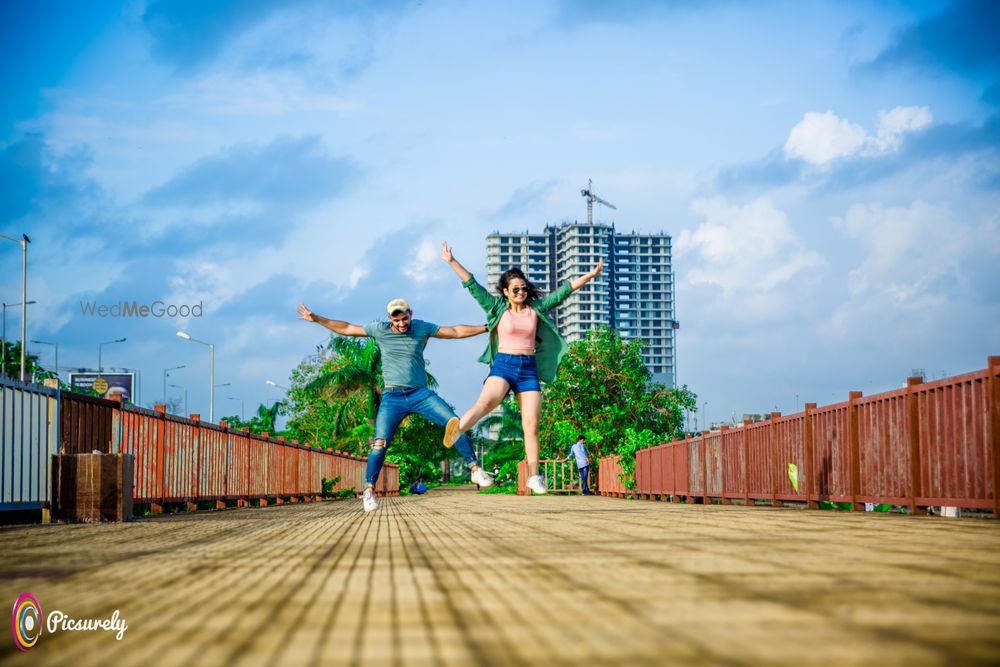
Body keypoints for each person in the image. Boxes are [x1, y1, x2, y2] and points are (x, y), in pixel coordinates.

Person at [298, 298, 494, 512]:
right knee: (379, 444)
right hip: (392, 397)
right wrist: (316, 318)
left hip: (420, 394)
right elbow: (346, 328)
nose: (402, 323)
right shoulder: (379, 330)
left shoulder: (421, 327)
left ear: (411, 313)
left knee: (455, 423)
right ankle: (369, 491)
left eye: (405, 318)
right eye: (397, 319)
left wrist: (486, 328)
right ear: (389, 318)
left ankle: (474, 468)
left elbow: (455, 331)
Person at [440, 241, 603, 495]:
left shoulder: (535, 309)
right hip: (504, 364)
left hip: (528, 369)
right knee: (486, 403)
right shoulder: (496, 308)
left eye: (524, 288)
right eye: (515, 289)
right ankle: (457, 430)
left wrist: (590, 276)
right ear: (505, 291)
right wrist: (452, 261)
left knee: (531, 424)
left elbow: (563, 292)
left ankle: (534, 477)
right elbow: (472, 285)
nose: (521, 292)